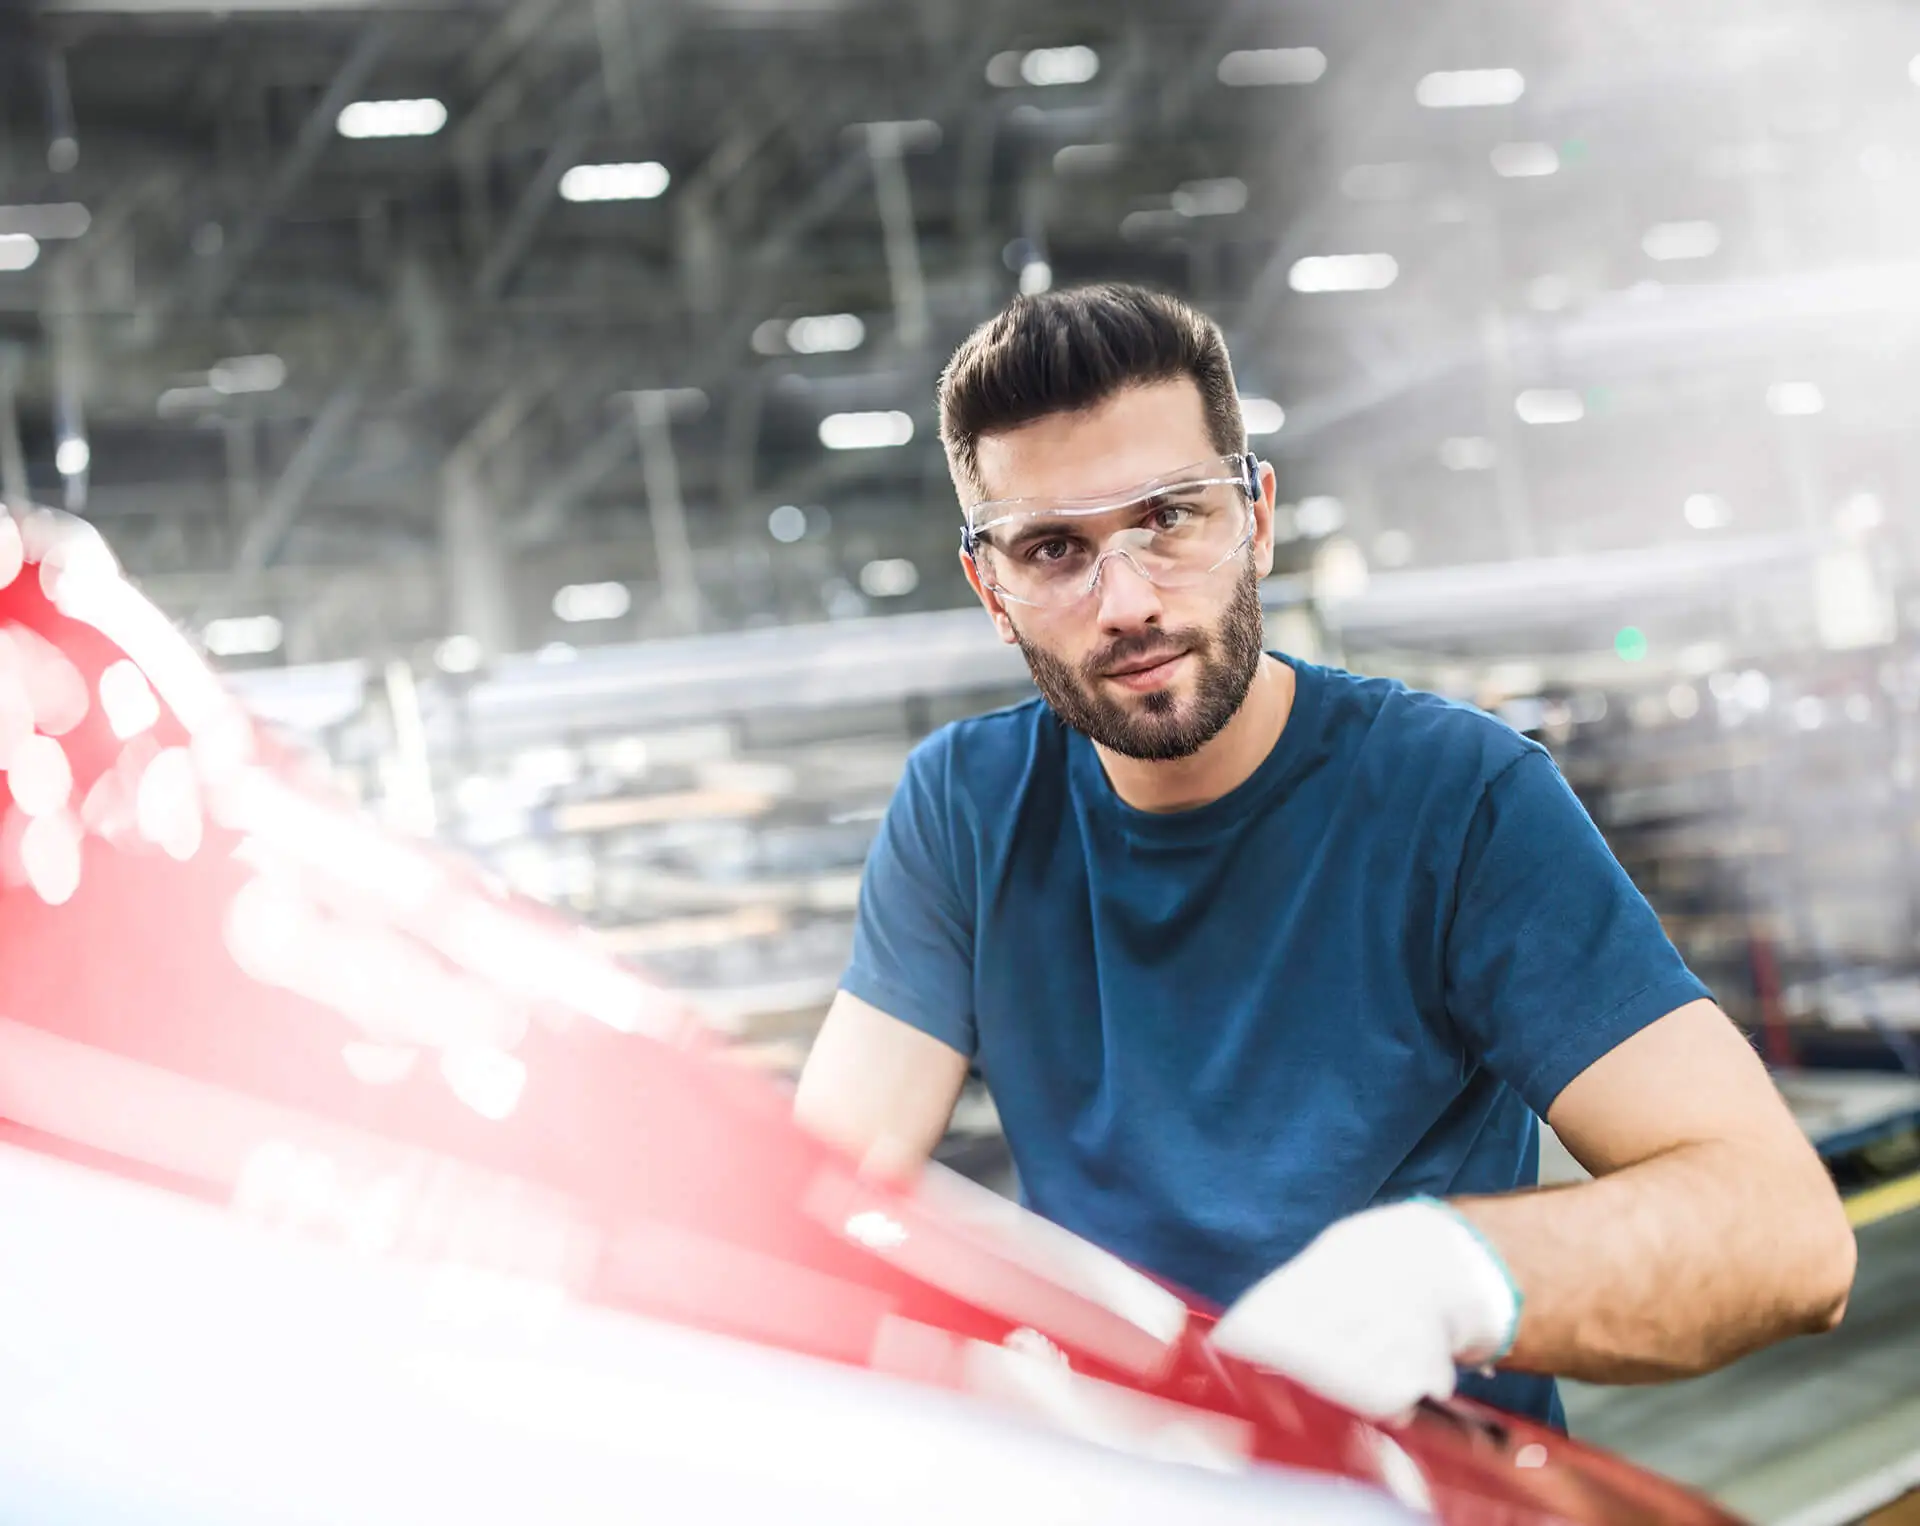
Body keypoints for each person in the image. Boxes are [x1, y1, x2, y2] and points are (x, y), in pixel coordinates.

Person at [794, 283, 1855, 1427]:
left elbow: (1787, 1235)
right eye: (1054, 548)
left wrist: (1437, 1276)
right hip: (1134, 1484)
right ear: (990, 589)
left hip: (1420, 1487)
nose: (1127, 602)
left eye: (1170, 518)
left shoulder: (1458, 799)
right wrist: (953, 1355)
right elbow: (821, 1189)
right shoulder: (964, 807)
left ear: (1254, 517)